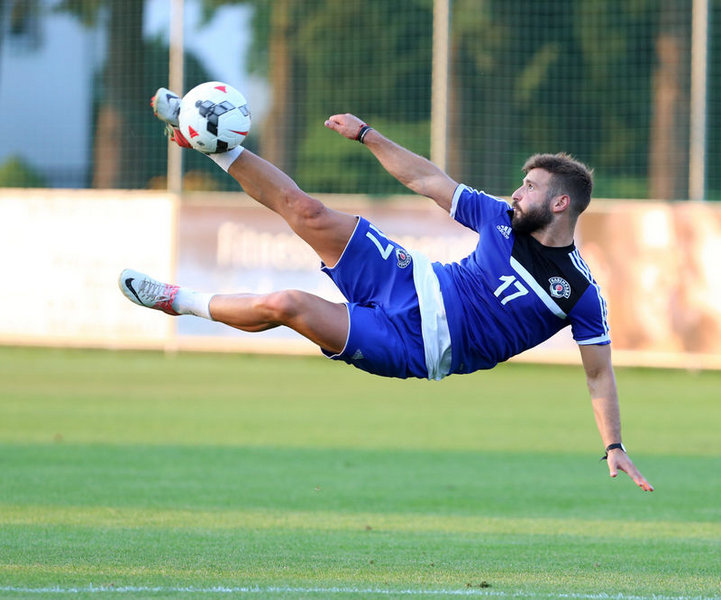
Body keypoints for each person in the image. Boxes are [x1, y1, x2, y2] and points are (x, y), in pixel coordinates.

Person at [119, 87, 654, 492]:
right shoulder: (498, 217)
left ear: (560, 204)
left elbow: (598, 373)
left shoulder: (578, 291)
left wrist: (613, 444)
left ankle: (175, 301)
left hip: (415, 346)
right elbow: (428, 181)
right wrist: (366, 134)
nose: (516, 192)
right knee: (307, 211)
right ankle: (208, 140)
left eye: (529, 187)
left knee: (287, 305)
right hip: (409, 278)